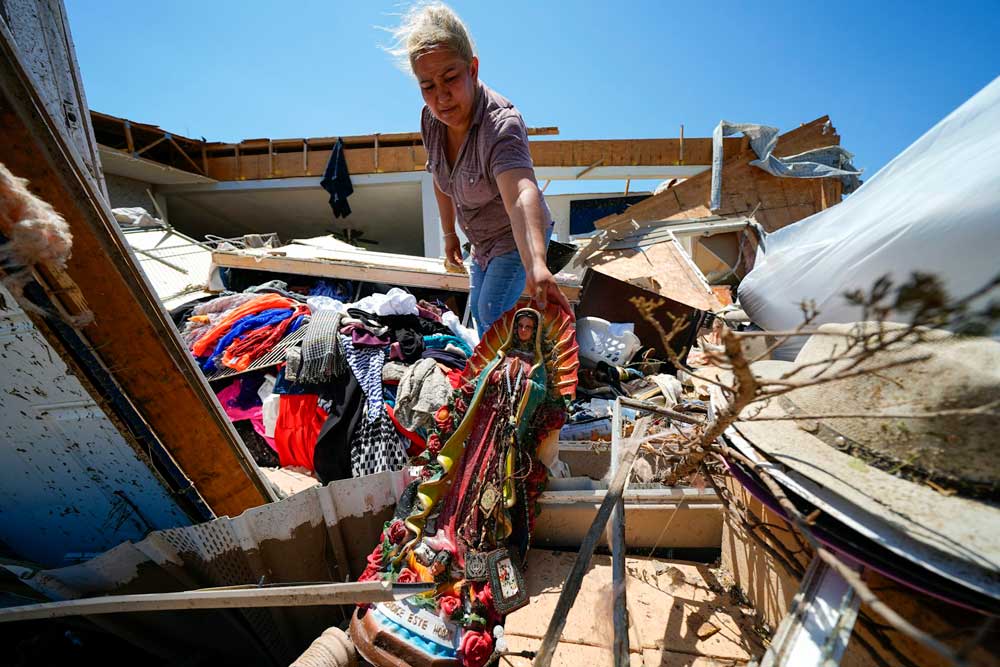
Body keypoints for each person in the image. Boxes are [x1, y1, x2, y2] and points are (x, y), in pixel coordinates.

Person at [388, 2, 573, 334]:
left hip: (517, 238)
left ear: (472, 69)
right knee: (478, 311)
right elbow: (441, 179)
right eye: (428, 86)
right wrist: (448, 236)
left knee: (490, 313)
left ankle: (513, 381)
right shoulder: (430, 120)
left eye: (450, 78)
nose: (441, 96)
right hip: (482, 241)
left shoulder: (502, 124)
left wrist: (536, 265)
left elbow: (520, 194)